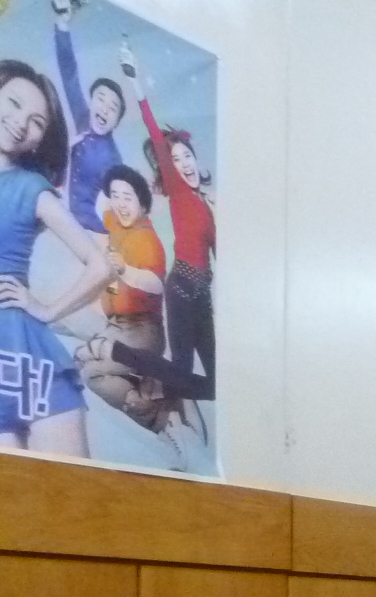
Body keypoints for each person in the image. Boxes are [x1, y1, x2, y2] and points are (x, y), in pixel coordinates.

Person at [92, 45, 213, 446]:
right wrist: (134, 80)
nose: (184, 164)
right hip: (180, 289)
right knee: (180, 369)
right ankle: (161, 404)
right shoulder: (177, 193)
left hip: (203, 295)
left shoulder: (209, 203)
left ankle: (140, 370)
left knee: (213, 383)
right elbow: (155, 135)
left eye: (187, 156)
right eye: (175, 160)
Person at [0, 58, 114, 455]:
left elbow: (101, 266)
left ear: (39, 140)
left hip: (25, 355)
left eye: (36, 122)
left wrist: (46, 310)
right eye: (13, 103)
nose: (20, 123)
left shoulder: (31, 187)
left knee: (66, 491)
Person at [76, 165, 165, 428]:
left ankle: (153, 415)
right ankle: (144, 381)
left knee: (92, 374)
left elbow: (156, 285)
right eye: (115, 196)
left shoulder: (147, 241)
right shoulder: (116, 223)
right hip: (116, 327)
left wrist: (125, 270)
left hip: (142, 332)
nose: (120, 204)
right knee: (78, 358)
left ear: (143, 204)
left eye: (128, 198)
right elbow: (100, 205)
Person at [50, 0, 127, 237]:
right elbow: (69, 75)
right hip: (56, 211)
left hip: (87, 230)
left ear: (116, 122)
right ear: (91, 101)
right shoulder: (83, 118)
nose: (105, 108)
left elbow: (117, 205)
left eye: (112, 108)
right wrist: (62, 24)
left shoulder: (113, 160)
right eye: (101, 99)